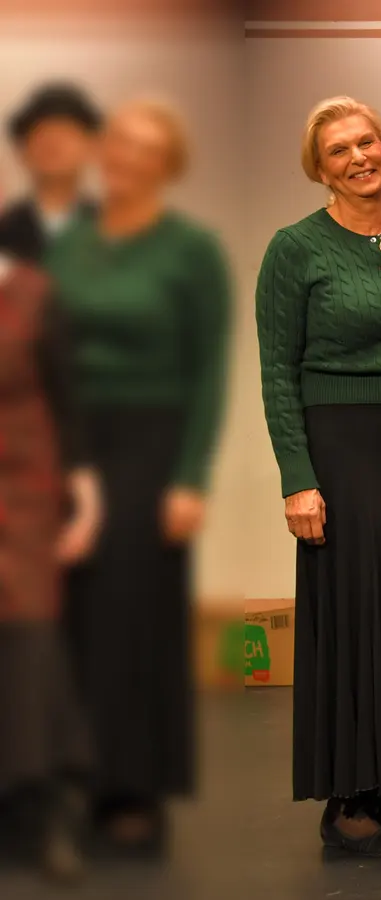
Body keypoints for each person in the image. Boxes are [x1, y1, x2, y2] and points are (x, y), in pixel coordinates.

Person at [255, 96, 381, 856]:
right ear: (320, 168)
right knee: (355, 614)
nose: (360, 157)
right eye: (339, 151)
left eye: (368, 141)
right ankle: (350, 796)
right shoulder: (294, 248)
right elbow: (276, 372)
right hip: (339, 447)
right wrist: (296, 479)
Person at [52, 98, 230, 854]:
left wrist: (188, 477)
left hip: (151, 447)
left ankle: (133, 787)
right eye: (118, 145)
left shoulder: (188, 249)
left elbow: (209, 367)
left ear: (167, 166)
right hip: (66, 446)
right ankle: (71, 777)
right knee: (68, 620)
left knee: (134, 621)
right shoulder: (72, 242)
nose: (126, 159)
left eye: (145, 150)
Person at [0, 192, 100, 881]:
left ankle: (41, 809)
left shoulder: (36, 295)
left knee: (31, 638)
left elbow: (69, 399)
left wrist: (85, 500)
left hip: (24, 491)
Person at [0, 83, 99, 263]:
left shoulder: (114, 227)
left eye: (67, 134)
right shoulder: (4, 227)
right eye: (43, 134)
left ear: (92, 148)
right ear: (22, 152)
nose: (54, 144)